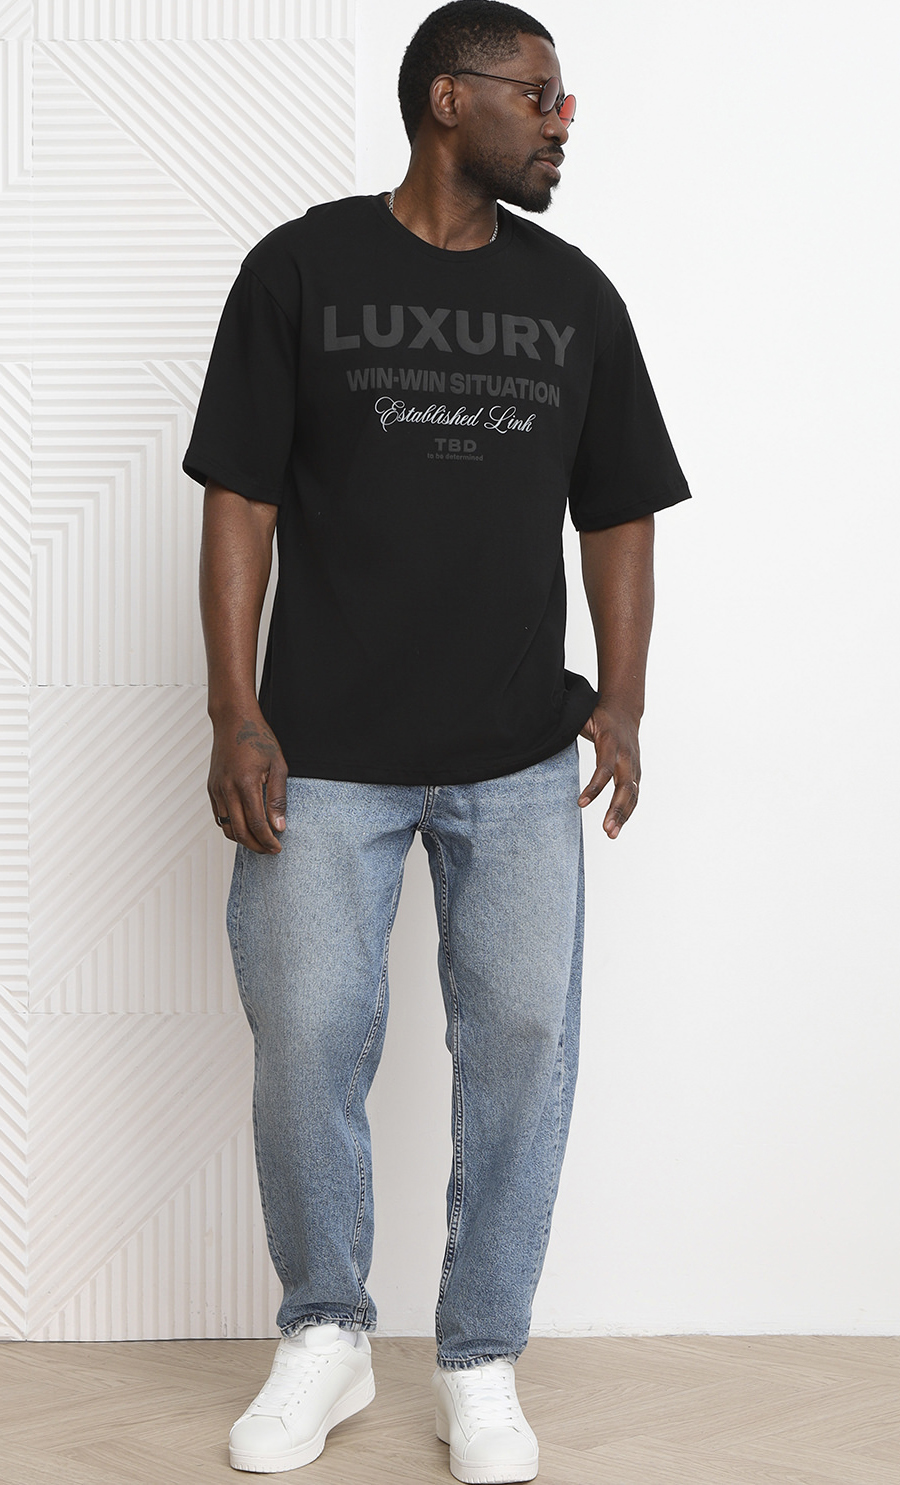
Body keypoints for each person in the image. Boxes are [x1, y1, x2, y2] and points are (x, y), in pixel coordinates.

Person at [183, 2, 690, 1478]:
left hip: (517, 753)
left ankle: (480, 1355)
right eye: (539, 95)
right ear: (448, 100)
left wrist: (624, 697)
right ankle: (325, 1333)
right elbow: (239, 496)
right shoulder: (301, 270)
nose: (561, 122)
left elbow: (620, 509)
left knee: (523, 1046)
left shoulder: (574, 299)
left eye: (562, 99)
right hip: (322, 749)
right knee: (306, 1044)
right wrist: (234, 708)